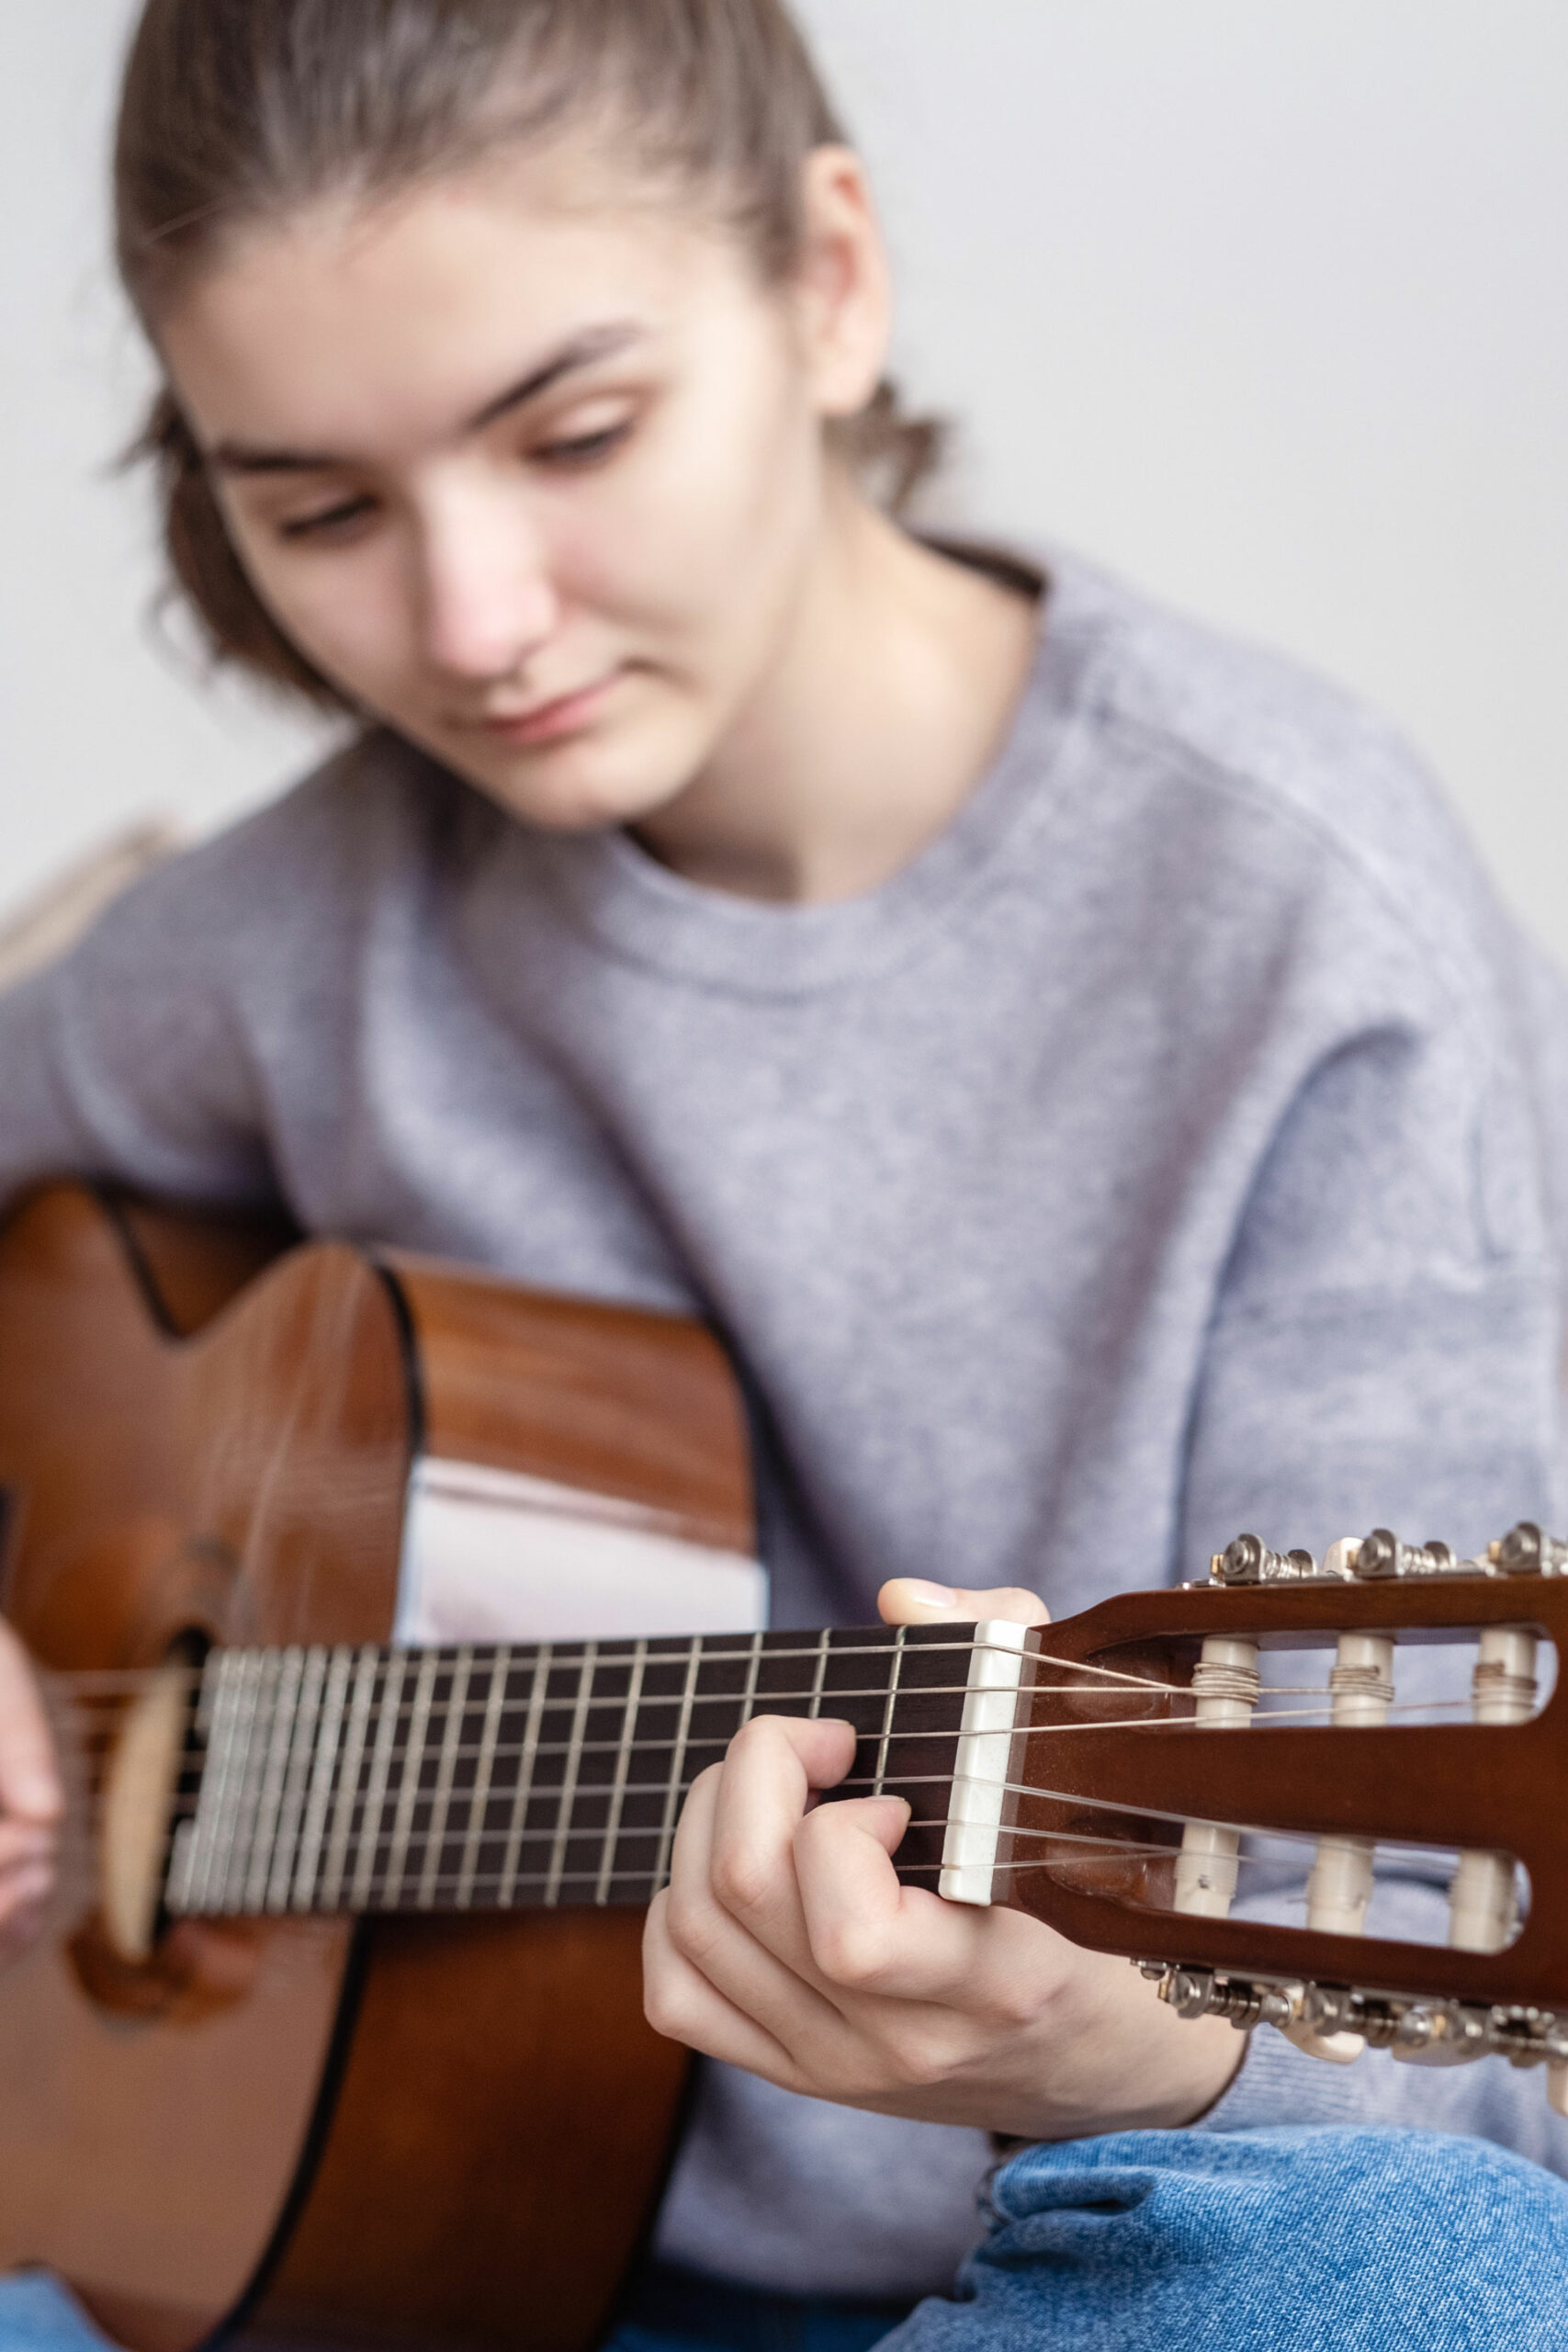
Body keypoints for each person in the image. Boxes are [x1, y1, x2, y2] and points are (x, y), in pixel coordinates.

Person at [2, 2, 1568, 2345]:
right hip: (346, 2248)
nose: (470, 621)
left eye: (579, 432)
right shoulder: (283, 935)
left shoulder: (1292, 927)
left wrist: (1095, 2050)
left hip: (1001, 2279)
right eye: (317, 509)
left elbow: (1457, 2071)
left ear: (828, 281)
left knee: (1424, 2286)